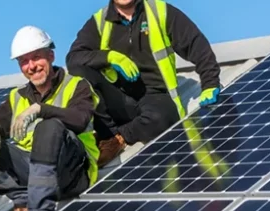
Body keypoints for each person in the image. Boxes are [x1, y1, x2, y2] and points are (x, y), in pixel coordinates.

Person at [0, 26, 101, 211]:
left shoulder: (76, 85)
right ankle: (23, 200)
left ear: (51, 55)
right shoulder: (17, 97)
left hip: (72, 172)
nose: (32, 66)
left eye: (37, 58)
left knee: (49, 126)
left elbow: (80, 119)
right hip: (34, 174)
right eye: (24, 61)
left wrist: (42, 110)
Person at [67, 0, 221, 161]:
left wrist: (210, 83)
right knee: (80, 71)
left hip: (154, 95)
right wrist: (108, 57)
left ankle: (118, 137)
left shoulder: (159, 11)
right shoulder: (99, 21)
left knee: (161, 120)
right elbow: (73, 58)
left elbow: (196, 45)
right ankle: (109, 134)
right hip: (117, 98)